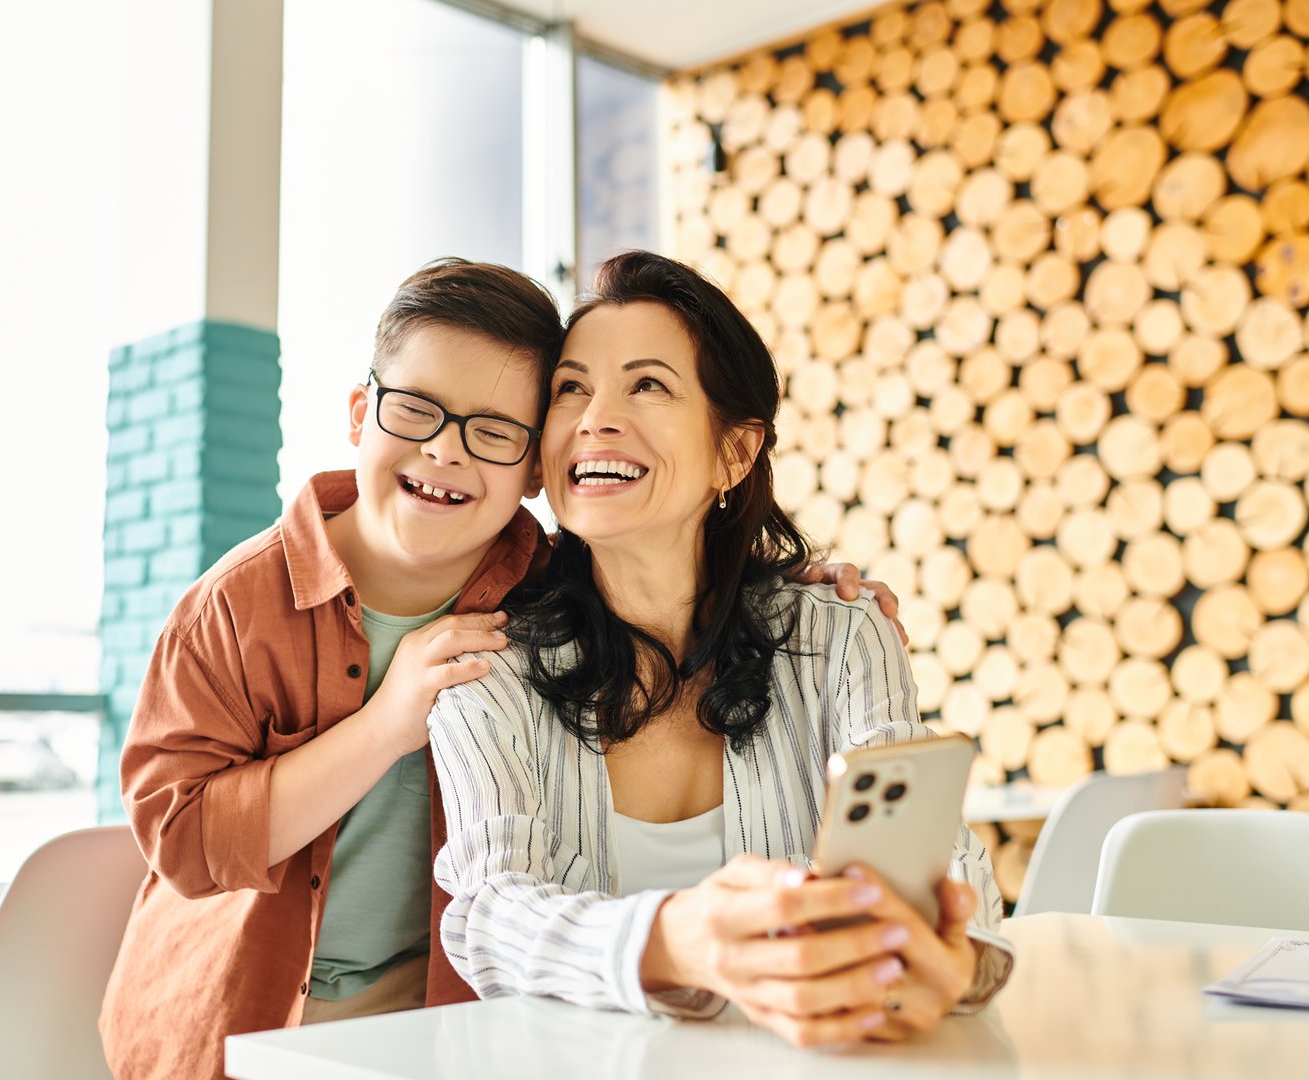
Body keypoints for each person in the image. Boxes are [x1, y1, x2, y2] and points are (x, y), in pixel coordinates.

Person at [98, 257, 900, 1078]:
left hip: (439, 1017)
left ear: (532, 469)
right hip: (244, 1017)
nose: (443, 451)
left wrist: (787, 584)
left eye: (492, 431)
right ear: (358, 413)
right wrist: (384, 724)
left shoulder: (542, 584)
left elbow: (663, 551)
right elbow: (184, 838)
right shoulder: (233, 606)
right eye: (413, 411)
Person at [428, 251, 1014, 1048]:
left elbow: (940, 863)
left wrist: (949, 954)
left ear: (734, 453)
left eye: (647, 384)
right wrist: (680, 940)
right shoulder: (485, 673)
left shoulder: (841, 634)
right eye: (572, 387)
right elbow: (491, 917)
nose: (595, 416)